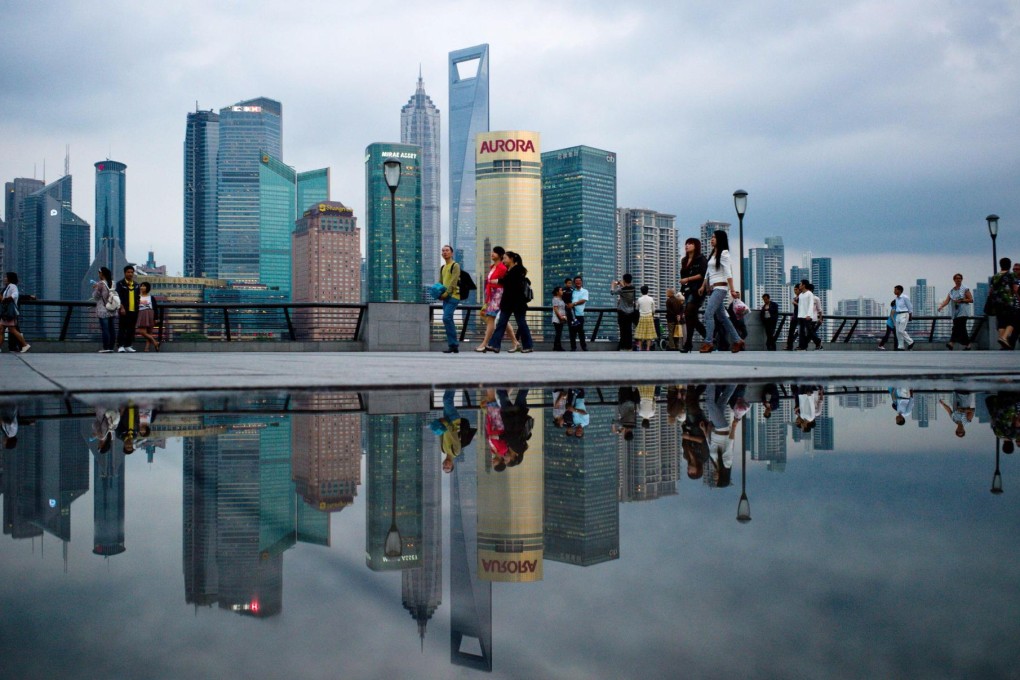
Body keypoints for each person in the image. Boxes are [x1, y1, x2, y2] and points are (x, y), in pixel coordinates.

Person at [698, 231, 744, 353]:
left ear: (720, 239)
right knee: (722, 317)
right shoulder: (713, 253)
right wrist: (703, 286)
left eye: (714, 237)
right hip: (713, 289)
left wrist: (732, 289)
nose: (711, 239)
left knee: (708, 313)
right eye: (711, 237)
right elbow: (708, 272)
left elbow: (728, 272)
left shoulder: (724, 253)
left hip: (721, 288)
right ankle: (738, 340)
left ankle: (708, 342)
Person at [483, 251, 534, 354]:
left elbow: (509, 281)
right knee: (501, 323)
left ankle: (528, 346)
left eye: (505, 258)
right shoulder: (509, 270)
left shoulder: (518, 269)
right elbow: (507, 281)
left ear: (511, 259)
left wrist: (497, 281)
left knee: (521, 323)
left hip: (517, 302)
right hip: (507, 302)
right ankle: (494, 345)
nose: (504, 260)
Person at [476, 246, 520, 352]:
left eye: (495, 252)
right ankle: (515, 342)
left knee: (491, 318)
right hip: (492, 295)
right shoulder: (493, 267)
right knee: (503, 320)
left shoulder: (502, 268)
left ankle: (484, 344)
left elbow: (505, 282)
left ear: (500, 255)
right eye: (492, 252)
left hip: (499, 295)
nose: (492, 254)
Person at [679, 238, 708, 352]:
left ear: (696, 246)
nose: (687, 245)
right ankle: (708, 337)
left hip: (698, 290)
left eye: (690, 244)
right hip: (688, 290)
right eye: (686, 243)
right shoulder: (684, 260)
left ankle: (688, 344)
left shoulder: (701, 259)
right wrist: (682, 289)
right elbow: (683, 276)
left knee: (689, 312)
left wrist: (687, 279)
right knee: (691, 316)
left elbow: (703, 274)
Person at [937, 273, 973, 351]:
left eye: (959, 278)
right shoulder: (952, 291)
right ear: (954, 280)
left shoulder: (965, 289)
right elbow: (947, 301)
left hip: (963, 312)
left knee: (959, 328)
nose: (958, 280)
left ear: (961, 279)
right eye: (956, 278)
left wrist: (962, 300)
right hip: (955, 313)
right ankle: (967, 345)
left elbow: (971, 299)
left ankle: (952, 343)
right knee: (958, 328)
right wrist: (941, 306)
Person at [988, 258, 1017, 349]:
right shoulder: (1011, 275)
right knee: (1013, 321)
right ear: (1009, 265)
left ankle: (1002, 342)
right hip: (1008, 301)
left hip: (997, 303)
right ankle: (1004, 337)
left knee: (1002, 322)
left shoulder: (994, 277)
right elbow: (1015, 289)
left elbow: (991, 291)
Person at [438, 244, 462, 353]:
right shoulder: (442, 267)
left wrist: (446, 293)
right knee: (449, 319)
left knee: (446, 318)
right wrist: (438, 293)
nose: (445, 252)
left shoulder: (455, 265)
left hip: (453, 296)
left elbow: (454, 281)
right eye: (443, 251)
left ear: (451, 253)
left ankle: (453, 344)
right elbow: (441, 282)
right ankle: (453, 346)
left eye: (447, 250)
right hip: (445, 297)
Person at [90, 266, 118, 353]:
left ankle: (106, 348)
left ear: (101, 273)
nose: (98, 275)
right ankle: (111, 347)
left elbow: (95, 297)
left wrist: (95, 288)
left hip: (103, 310)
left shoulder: (100, 284)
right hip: (112, 308)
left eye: (99, 273)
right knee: (112, 329)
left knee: (105, 329)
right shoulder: (113, 283)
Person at [1, 272, 30, 353]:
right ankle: (24, 345)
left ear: (10, 278)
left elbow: (16, 294)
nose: (4, 279)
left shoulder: (12, 286)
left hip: (9, 312)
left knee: (12, 330)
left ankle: (24, 345)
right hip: (6, 312)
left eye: (6, 277)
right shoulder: (8, 287)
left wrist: (7, 299)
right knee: (2, 329)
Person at [116, 265, 140, 352]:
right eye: (128, 272)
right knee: (122, 328)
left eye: (131, 272)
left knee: (131, 328)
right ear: (125, 273)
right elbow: (118, 297)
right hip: (124, 310)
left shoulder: (136, 285)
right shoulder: (120, 284)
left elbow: (138, 297)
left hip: (134, 310)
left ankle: (128, 345)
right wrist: (121, 307)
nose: (130, 274)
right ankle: (120, 345)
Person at [611, 274, 637, 351]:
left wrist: (613, 285)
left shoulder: (621, 290)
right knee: (629, 330)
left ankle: (623, 347)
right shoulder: (633, 288)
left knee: (623, 330)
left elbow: (612, 292)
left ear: (624, 280)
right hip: (631, 312)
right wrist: (622, 284)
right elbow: (626, 288)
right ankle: (629, 347)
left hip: (622, 312)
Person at [135, 282, 160, 352]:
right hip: (141, 314)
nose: (142, 287)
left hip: (150, 313)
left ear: (147, 288)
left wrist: (156, 318)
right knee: (142, 331)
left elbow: (155, 308)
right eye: (141, 286)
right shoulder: (137, 297)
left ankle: (147, 348)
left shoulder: (151, 297)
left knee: (149, 332)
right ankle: (155, 342)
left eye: (144, 286)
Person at [797, 282, 823, 350]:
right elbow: (801, 306)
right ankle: (803, 346)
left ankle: (817, 342)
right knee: (804, 332)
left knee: (810, 332)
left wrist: (820, 318)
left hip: (812, 318)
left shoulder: (815, 298)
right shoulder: (801, 295)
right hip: (802, 316)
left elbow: (819, 309)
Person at [568, 276, 589, 351]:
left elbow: (583, 300)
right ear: (574, 283)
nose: (578, 282)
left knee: (581, 332)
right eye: (576, 281)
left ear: (582, 282)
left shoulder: (585, 291)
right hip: (571, 314)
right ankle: (573, 348)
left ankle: (584, 347)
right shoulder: (572, 291)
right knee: (572, 332)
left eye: (579, 281)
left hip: (580, 314)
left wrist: (573, 304)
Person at [634, 285, 657, 351]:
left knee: (640, 334)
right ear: (648, 291)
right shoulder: (651, 299)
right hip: (649, 317)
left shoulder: (639, 299)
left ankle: (640, 348)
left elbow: (637, 308)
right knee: (649, 334)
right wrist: (652, 314)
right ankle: (648, 348)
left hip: (642, 317)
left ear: (641, 292)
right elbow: (653, 310)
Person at [892, 285, 914, 351]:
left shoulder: (905, 297)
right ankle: (901, 346)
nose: (894, 291)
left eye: (895, 290)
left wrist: (910, 315)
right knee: (897, 332)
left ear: (899, 290)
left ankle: (911, 342)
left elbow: (910, 306)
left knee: (901, 330)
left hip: (904, 314)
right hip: (898, 315)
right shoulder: (896, 298)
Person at [785, 283, 801, 351]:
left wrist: (796, 303)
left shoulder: (801, 297)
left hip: (800, 316)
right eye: (794, 289)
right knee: (791, 331)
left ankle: (801, 346)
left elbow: (802, 307)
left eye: (796, 289)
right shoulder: (795, 298)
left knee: (801, 332)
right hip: (795, 316)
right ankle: (789, 346)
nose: (795, 291)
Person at [551, 286, 567, 351]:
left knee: (559, 333)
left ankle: (557, 346)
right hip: (557, 318)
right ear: (557, 292)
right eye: (560, 290)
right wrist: (560, 317)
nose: (562, 291)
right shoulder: (555, 299)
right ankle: (557, 347)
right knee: (558, 333)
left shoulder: (562, 299)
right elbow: (555, 309)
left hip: (562, 317)